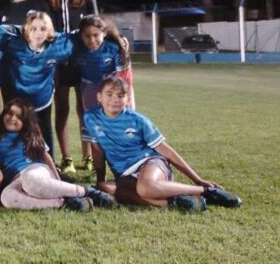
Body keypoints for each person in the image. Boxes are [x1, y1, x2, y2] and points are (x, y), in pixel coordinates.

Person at [82, 77, 242, 212]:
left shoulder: (138, 120)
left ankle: (206, 192)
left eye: (120, 95)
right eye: (109, 94)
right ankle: (173, 202)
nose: (115, 99)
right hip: (125, 175)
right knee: (105, 189)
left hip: (150, 163)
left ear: (128, 99)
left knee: (145, 188)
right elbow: (97, 151)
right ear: (99, 97)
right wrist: (100, 180)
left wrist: (198, 180)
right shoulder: (90, 118)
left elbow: (165, 150)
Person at [0, 98, 115, 211]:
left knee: (29, 180)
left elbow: (46, 157)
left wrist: (57, 180)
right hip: (16, 179)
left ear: (25, 121)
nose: (12, 118)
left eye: (19, 117)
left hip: (35, 171)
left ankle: (87, 191)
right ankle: (64, 204)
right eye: (10, 113)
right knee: (6, 197)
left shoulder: (28, 135)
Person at [0, 11, 75, 163]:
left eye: (43, 28)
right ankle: (8, 164)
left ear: (50, 30)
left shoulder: (59, 46)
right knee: (13, 135)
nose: (38, 33)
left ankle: (51, 168)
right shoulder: (13, 44)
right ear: (26, 30)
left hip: (42, 100)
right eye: (34, 28)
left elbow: (83, 34)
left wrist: (115, 36)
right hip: (19, 100)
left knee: (44, 135)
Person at [47, 0, 99, 174]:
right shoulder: (49, 2)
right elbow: (49, 32)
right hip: (60, 62)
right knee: (62, 109)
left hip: (83, 61)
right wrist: (61, 52)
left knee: (85, 109)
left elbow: (97, 27)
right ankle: (66, 158)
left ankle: (87, 156)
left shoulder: (87, 0)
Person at [73, 15, 134, 111]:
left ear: (104, 33)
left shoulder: (115, 48)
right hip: (90, 89)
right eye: (87, 36)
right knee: (94, 120)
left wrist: (127, 99)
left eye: (96, 35)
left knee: (118, 120)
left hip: (114, 89)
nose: (92, 40)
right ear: (81, 36)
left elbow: (126, 76)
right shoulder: (77, 48)